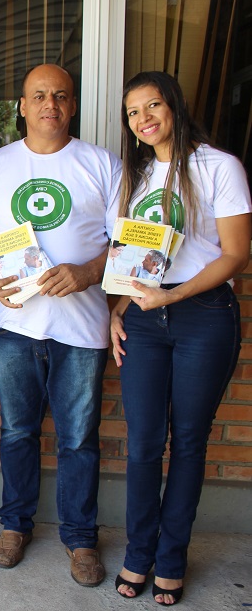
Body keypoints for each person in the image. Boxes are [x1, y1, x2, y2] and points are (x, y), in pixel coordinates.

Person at [0, 64, 121, 586]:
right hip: (14, 322)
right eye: (38, 95)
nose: (49, 105)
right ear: (21, 105)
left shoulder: (101, 164)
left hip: (82, 327)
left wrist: (86, 272)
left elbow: (124, 243)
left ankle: (81, 538)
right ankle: (15, 526)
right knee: (16, 431)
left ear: (73, 105)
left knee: (79, 438)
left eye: (60, 96)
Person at [110, 71, 251, 606]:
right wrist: (118, 309)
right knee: (144, 445)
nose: (143, 119)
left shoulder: (218, 167)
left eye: (152, 106)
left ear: (174, 106)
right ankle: (139, 553)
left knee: (189, 443)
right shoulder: (138, 175)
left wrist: (172, 297)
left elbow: (236, 254)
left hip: (202, 315)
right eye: (132, 112)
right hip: (145, 320)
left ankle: (172, 558)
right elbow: (134, 255)